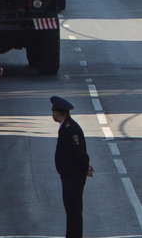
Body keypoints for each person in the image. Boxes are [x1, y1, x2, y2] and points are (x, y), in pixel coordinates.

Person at [52, 96, 94, 238]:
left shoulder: (71, 129)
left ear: (58, 112)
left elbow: (79, 152)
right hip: (69, 175)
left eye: (53, 111)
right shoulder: (66, 126)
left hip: (73, 176)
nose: (52, 114)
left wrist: (84, 168)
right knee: (71, 210)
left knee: (74, 210)